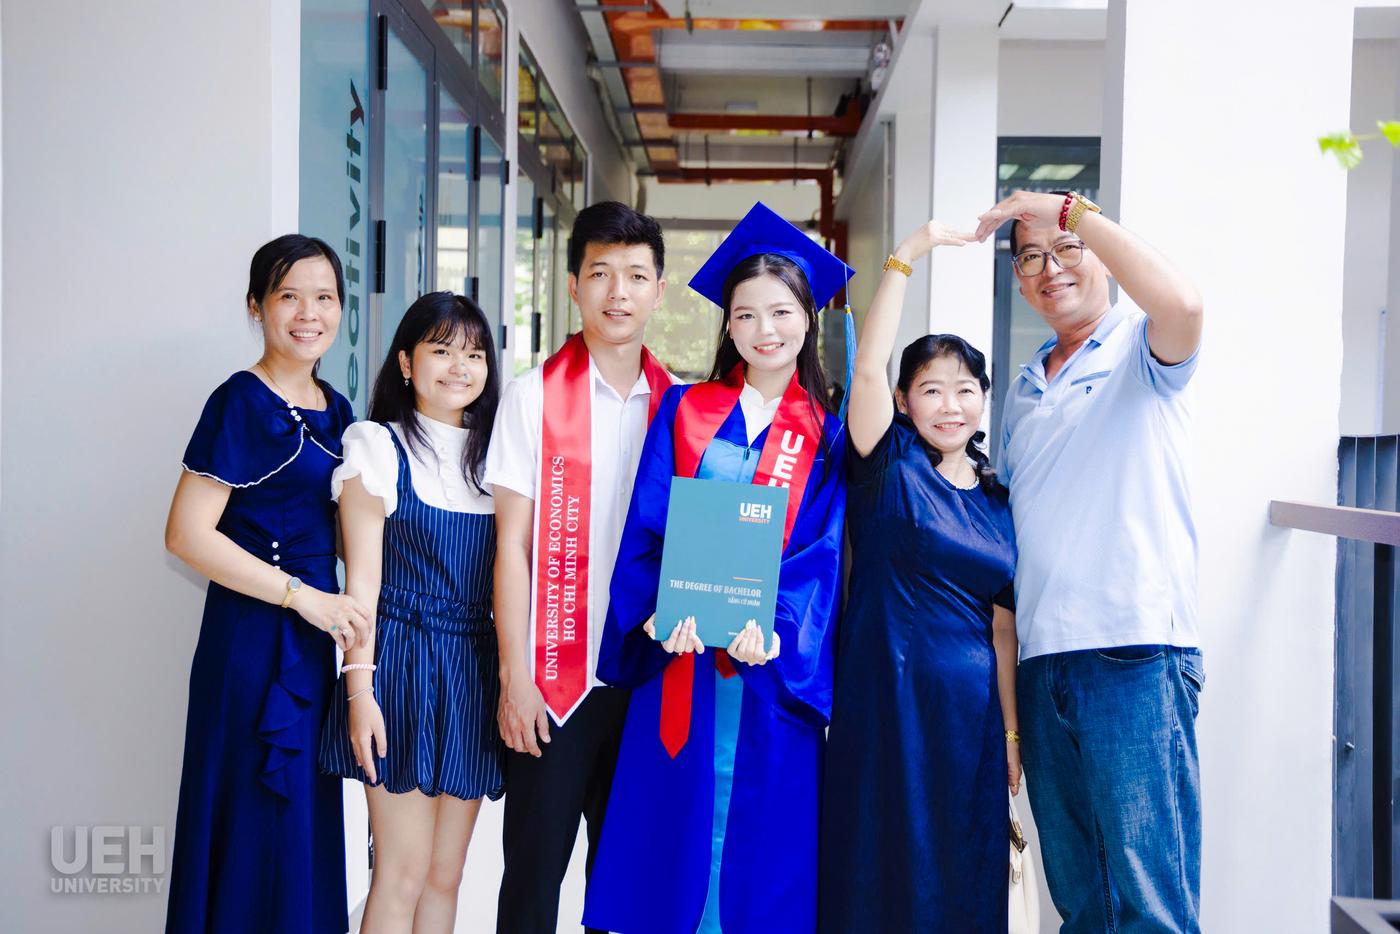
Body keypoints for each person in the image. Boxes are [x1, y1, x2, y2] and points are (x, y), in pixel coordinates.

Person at [582, 202, 848, 934]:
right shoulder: (686, 410)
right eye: (746, 315)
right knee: (673, 853)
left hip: (769, 673)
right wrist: (658, 613)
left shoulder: (826, 434)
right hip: (685, 662)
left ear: (808, 320)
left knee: (765, 866)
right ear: (727, 325)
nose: (766, 330)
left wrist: (778, 630)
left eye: (782, 312)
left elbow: (821, 554)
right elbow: (648, 524)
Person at [974, 190, 1205, 933]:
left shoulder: (1142, 349)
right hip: (1044, 663)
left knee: (1149, 905)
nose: (1051, 269)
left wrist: (1066, 209)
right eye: (1031, 258)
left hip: (1133, 652)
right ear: (1018, 281)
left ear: (1100, 254)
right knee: (1079, 903)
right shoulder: (1022, 388)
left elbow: (1185, 304)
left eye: (1067, 249)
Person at [819, 221, 1020, 931]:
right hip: (885, 701)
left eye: (965, 390)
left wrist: (1012, 738)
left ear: (983, 400)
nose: (950, 405)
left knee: (962, 873)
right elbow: (868, 368)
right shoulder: (888, 466)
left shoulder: (999, 500)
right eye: (931, 390)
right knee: (876, 865)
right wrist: (907, 255)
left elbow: (1003, 630)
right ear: (904, 401)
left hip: (969, 718)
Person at [164, 235, 365, 934]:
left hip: (312, 649)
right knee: (250, 825)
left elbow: (350, 536)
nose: (309, 314)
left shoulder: (340, 411)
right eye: (289, 296)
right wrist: (300, 596)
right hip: (249, 646)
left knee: (299, 827)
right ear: (256, 307)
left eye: (325, 297)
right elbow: (186, 535)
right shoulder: (239, 401)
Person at [486, 201, 674, 934]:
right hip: (555, 682)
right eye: (601, 274)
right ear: (573, 286)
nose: (618, 292)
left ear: (659, 289)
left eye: (636, 275)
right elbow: (511, 545)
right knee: (533, 880)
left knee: (624, 888)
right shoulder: (532, 396)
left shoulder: (686, 409)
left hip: (649, 678)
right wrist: (514, 678)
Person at [318, 291, 503, 932]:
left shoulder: (499, 453)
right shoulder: (376, 445)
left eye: (474, 354)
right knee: (401, 872)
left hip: (472, 670)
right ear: (405, 361)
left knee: (445, 877)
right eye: (442, 351)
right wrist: (358, 693)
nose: (460, 367)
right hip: (401, 667)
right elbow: (361, 588)